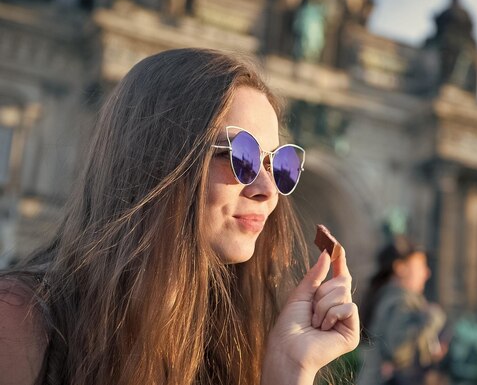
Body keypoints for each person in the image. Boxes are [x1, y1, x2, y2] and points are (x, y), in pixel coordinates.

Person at [0, 48, 359, 385]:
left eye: (277, 163)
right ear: (156, 161)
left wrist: (288, 367)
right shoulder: (20, 321)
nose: (268, 189)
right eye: (240, 156)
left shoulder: (232, 339)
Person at [358, 237, 447, 385]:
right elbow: (399, 350)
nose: (427, 273)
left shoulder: (387, 297)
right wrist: (432, 318)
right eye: (421, 265)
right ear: (400, 268)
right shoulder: (398, 301)